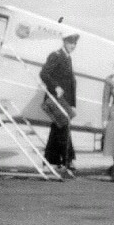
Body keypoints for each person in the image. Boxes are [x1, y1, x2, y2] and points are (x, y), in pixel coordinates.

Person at [40, 33, 79, 175]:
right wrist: (55, 86)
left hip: (65, 102)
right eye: (70, 43)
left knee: (58, 128)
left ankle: (53, 161)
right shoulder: (56, 55)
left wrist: (73, 104)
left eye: (75, 44)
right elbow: (44, 73)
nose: (73, 46)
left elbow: (71, 84)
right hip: (56, 99)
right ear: (64, 43)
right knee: (62, 128)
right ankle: (67, 161)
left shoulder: (68, 58)